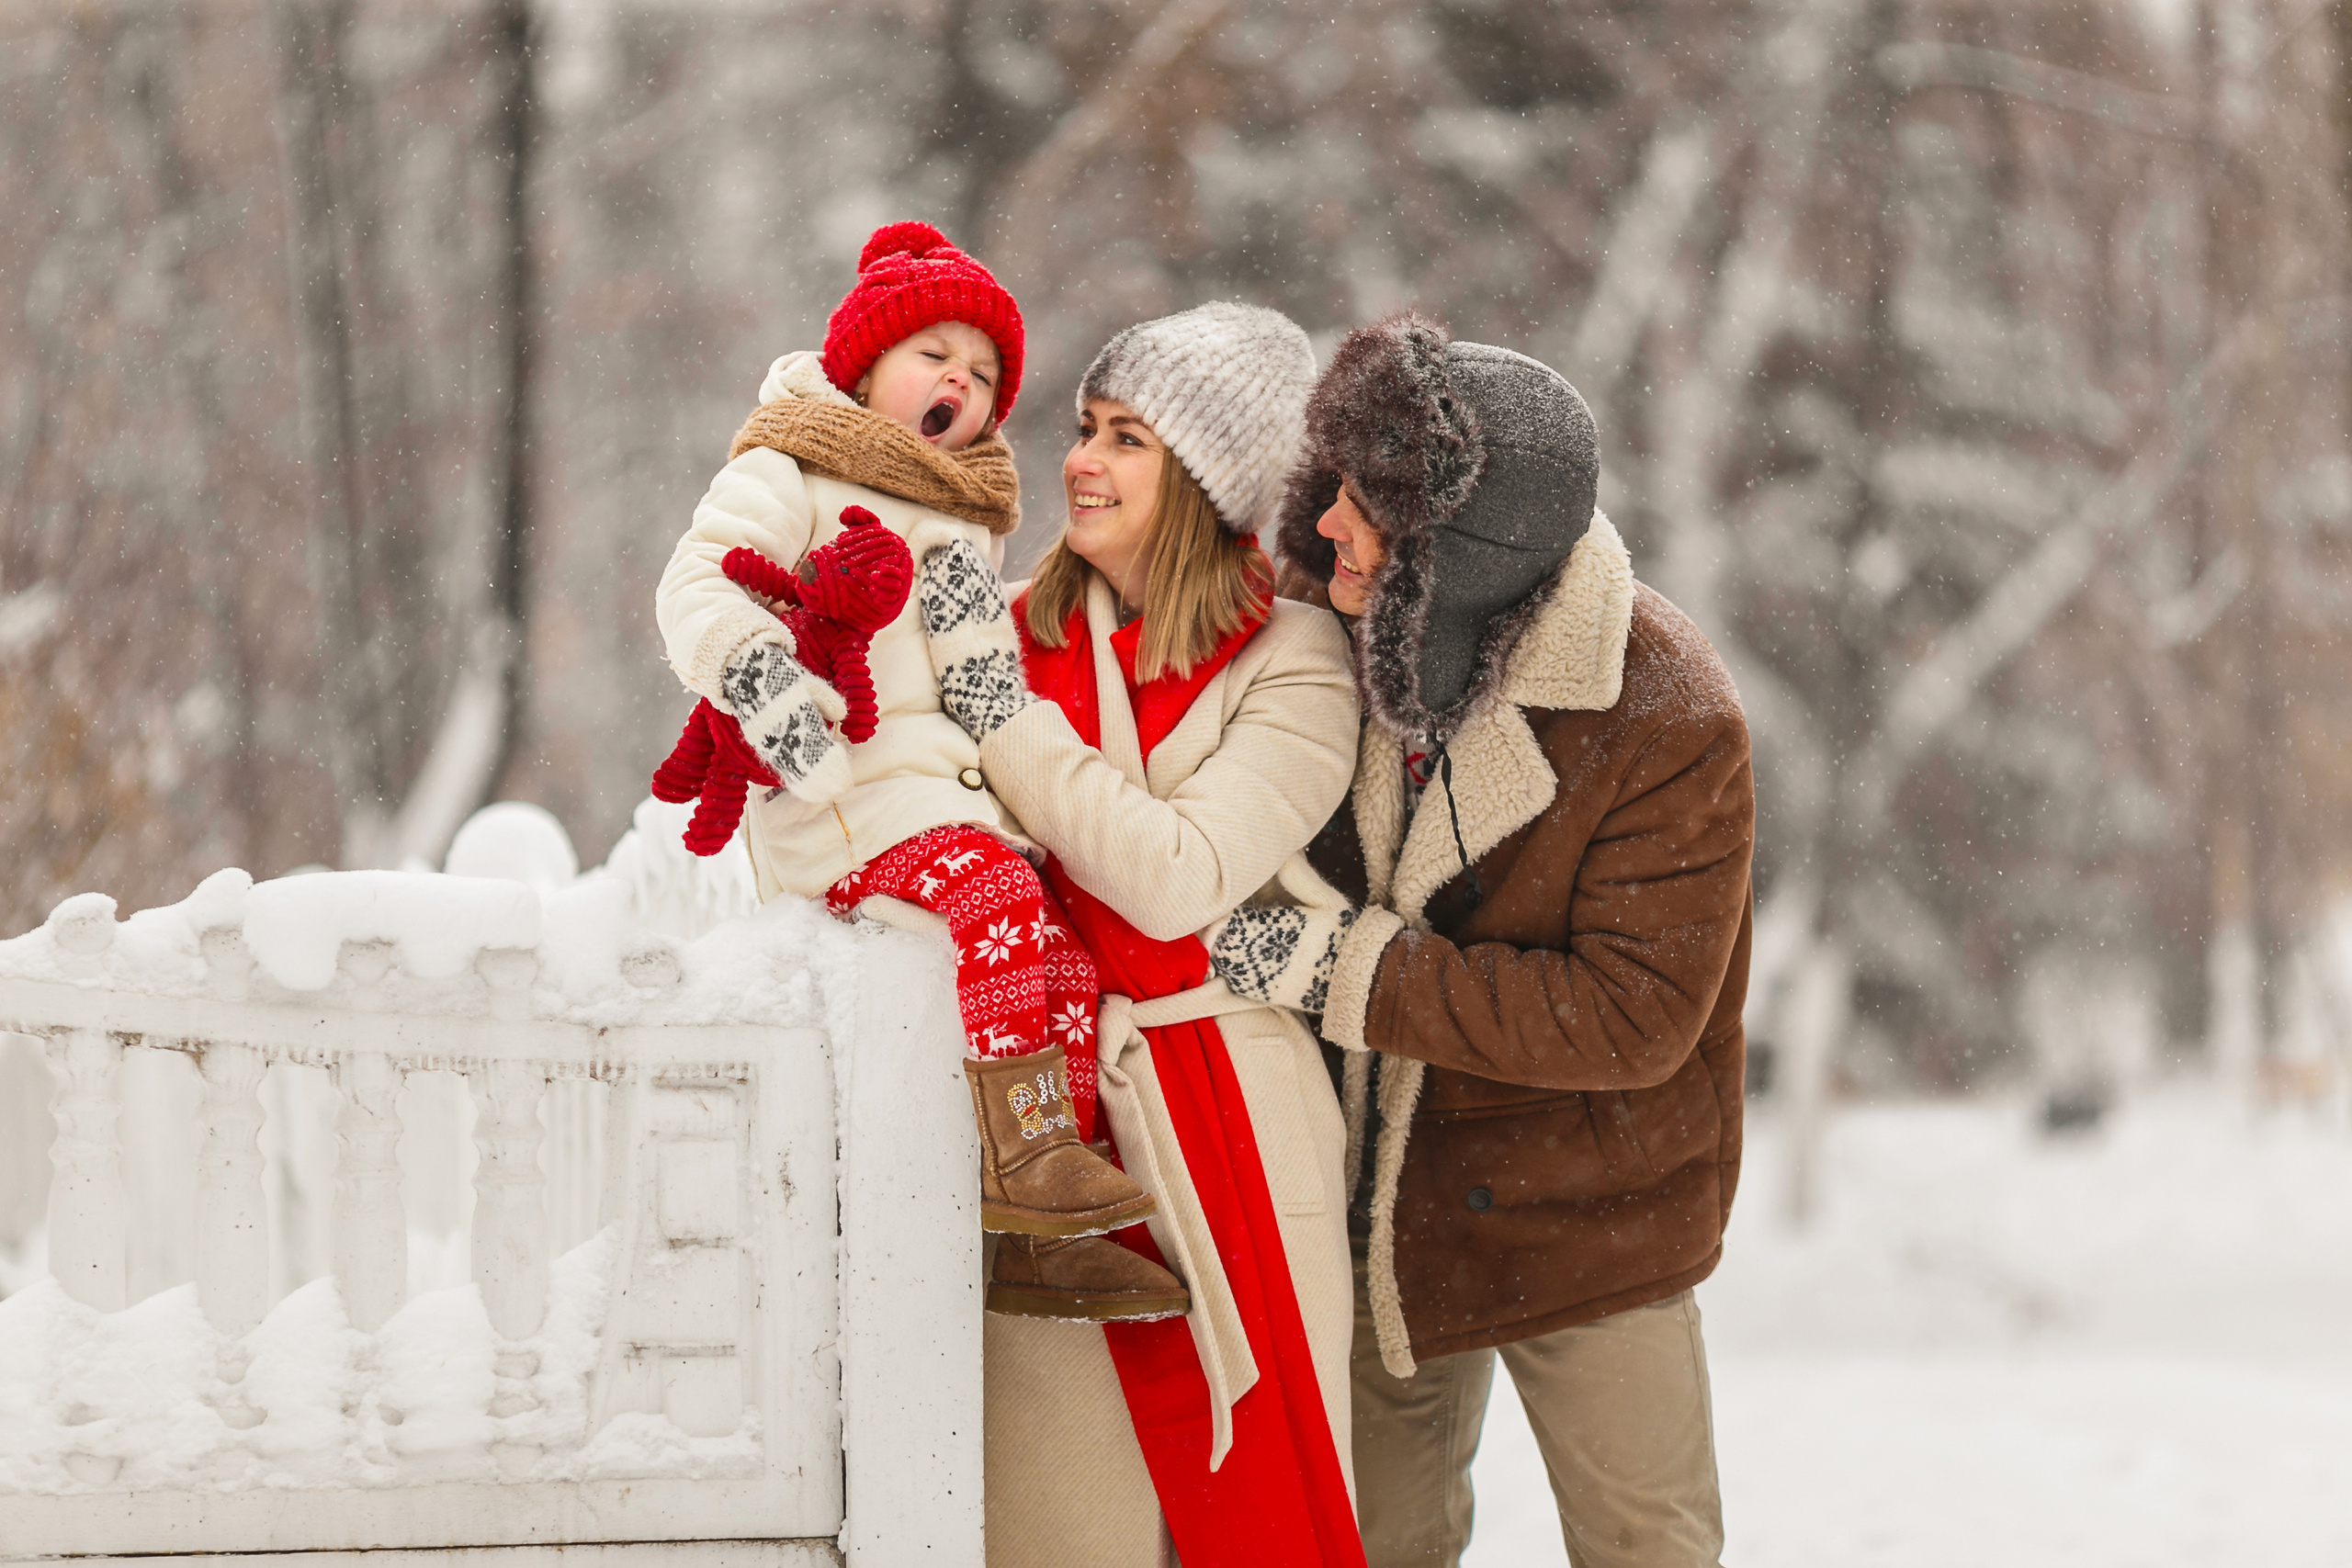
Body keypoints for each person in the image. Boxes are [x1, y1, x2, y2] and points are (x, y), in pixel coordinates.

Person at [1268, 311, 1756, 1568]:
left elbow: (1634, 1015)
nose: (1328, 525)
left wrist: (1345, 969)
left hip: (1598, 1206)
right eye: (1333, 485)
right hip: (1384, 1199)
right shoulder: (1319, 633)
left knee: (1648, 1543)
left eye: (1368, 505)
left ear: (1463, 550)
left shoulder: (1665, 709)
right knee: (1371, 1541)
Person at [653, 220, 1184, 1322]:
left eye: (982, 375)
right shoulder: (790, 463)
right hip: (843, 806)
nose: (960, 382)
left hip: (942, 810)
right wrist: (763, 680)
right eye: (933, 355)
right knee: (995, 900)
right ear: (863, 369)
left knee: (1064, 959)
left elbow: (975, 680)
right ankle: (1022, 1160)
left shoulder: (963, 515)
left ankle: (1042, 1230)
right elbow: (698, 584)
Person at [925, 301, 1369, 1567]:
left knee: (1263, 1515)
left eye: (1128, 438)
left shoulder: (1295, 661)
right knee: (1054, 1518)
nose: (1081, 460)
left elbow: (1174, 881)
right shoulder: (1000, 629)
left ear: (1207, 482)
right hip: (1046, 1119)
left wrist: (1002, 717)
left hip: (1235, 1108)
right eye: (1085, 427)